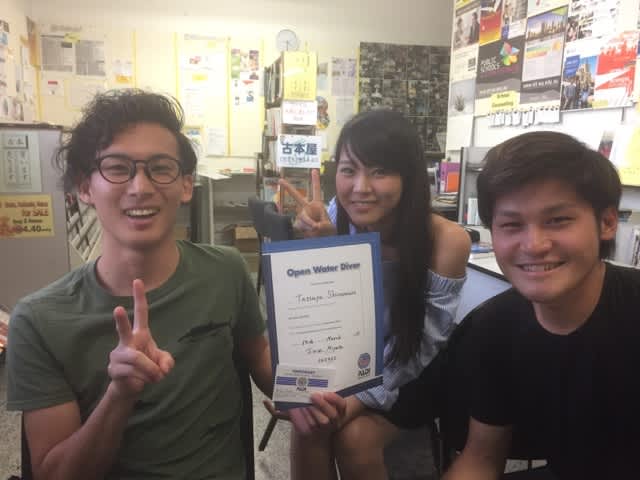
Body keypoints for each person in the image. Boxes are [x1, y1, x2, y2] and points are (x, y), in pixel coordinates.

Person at [6, 89, 273, 479]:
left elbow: (262, 358)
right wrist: (119, 395)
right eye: (117, 168)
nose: (141, 187)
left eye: (161, 168)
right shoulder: (38, 321)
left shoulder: (226, 272)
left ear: (186, 185)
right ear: (84, 187)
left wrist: (316, 383)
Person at [280, 109, 471, 480]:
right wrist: (325, 246)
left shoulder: (447, 240)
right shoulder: (336, 216)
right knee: (309, 424)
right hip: (353, 354)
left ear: (408, 177)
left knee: (354, 438)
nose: (360, 187)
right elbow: (321, 313)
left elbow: (422, 347)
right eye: (349, 170)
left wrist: (357, 398)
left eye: (380, 171)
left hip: (413, 368)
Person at [443, 131, 640, 480]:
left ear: (607, 223)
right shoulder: (494, 328)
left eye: (558, 220)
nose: (534, 245)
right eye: (511, 225)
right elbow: (482, 458)